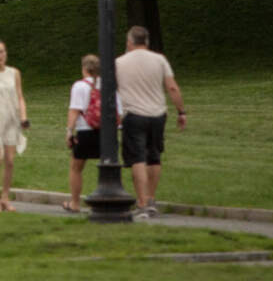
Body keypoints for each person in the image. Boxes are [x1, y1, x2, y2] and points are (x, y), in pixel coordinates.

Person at [116, 26, 186, 219]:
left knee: (138, 158)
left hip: (133, 114)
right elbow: (172, 87)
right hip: (157, 114)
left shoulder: (119, 62)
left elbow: (111, 90)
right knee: (154, 156)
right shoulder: (160, 60)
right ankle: (151, 198)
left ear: (130, 42)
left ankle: (142, 203)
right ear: (146, 41)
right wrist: (181, 111)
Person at [0, 39, 29, 212]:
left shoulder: (14, 72)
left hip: (12, 119)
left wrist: (23, 117)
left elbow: (20, 96)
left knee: (9, 160)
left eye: (2, 51)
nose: (0, 55)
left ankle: (5, 197)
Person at [63, 54, 103, 212]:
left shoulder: (79, 86)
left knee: (76, 167)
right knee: (107, 166)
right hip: (104, 132)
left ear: (84, 68)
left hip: (85, 131)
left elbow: (74, 111)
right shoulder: (107, 84)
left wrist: (69, 132)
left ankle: (75, 203)